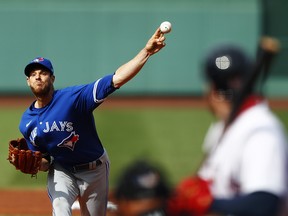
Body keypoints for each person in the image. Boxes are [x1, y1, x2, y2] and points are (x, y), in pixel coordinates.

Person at [18, 27, 167, 216]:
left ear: (52, 77)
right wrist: (36, 164)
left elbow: (116, 79)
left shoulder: (73, 98)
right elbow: (45, 159)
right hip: (63, 171)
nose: (37, 76)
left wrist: (146, 52)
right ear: (28, 81)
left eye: (43, 72)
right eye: (33, 74)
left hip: (94, 170)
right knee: (60, 209)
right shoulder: (27, 121)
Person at [168, 44, 288, 216]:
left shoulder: (261, 131)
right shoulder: (223, 127)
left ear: (212, 90)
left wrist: (209, 203)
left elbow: (264, 204)